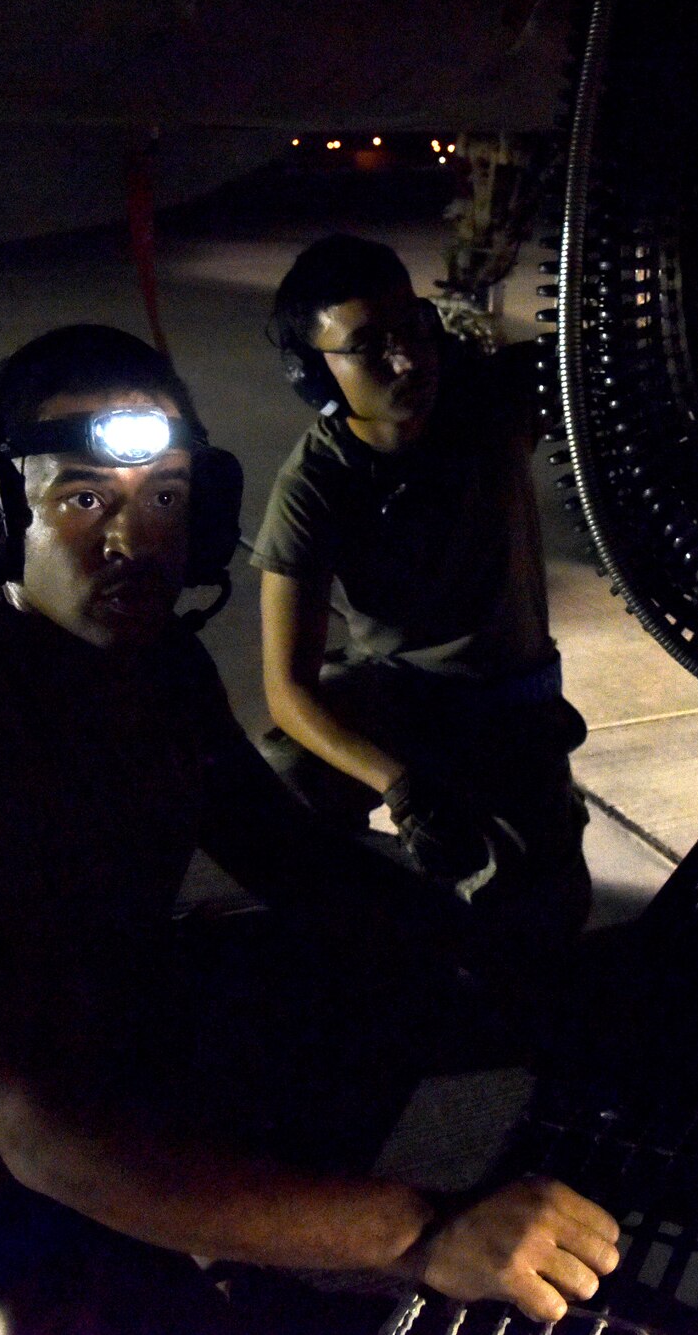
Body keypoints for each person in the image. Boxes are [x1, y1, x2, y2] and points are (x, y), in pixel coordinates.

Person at [0, 325, 621, 1334]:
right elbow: (41, 1137)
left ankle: (202, 1252)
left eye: (164, 497)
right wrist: (416, 1233)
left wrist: (530, 968)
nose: (134, 539)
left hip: (91, 1075)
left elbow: (301, 866)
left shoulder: (156, 671)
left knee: (353, 961)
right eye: (83, 499)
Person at [252, 234, 591, 952]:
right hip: (405, 703)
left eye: (413, 329)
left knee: (537, 927)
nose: (408, 361)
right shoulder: (316, 483)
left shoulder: (492, 403)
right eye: (371, 347)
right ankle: (347, 923)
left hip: (510, 710)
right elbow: (288, 688)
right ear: (316, 375)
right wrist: (398, 785)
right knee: (286, 766)